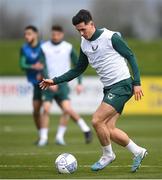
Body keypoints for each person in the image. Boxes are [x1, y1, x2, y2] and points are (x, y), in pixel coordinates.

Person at [40, 10, 147, 172]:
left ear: (92, 24)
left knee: (97, 120)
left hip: (123, 85)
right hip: (109, 88)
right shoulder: (84, 44)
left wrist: (137, 82)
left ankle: (108, 155)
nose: (81, 33)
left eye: (83, 29)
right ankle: (138, 151)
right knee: (108, 129)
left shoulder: (111, 37)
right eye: (78, 31)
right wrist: (54, 80)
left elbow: (130, 56)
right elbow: (77, 70)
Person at [40, 25, 92, 146]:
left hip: (63, 83)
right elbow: (43, 66)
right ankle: (43, 138)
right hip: (48, 83)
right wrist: (50, 81)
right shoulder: (44, 47)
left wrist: (79, 83)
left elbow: (78, 66)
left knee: (67, 110)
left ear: (62, 35)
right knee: (46, 109)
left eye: (57, 34)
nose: (55, 36)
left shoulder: (68, 47)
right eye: (53, 34)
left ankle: (60, 137)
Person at [20, 25, 47, 146]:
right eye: (25, 34)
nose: (27, 36)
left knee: (49, 108)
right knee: (36, 111)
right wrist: (33, 67)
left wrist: (42, 70)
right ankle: (41, 135)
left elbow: (49, 60)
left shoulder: (44, 46)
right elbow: (22, 65)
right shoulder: (24, 48)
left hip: (47, 82)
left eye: (29, 34)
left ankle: (53, 136)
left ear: (36, 34)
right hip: (36, 83)